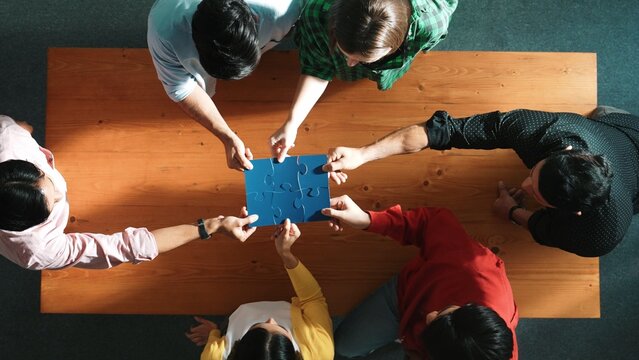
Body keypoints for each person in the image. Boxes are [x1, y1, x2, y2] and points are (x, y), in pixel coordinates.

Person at [322, 107, 639, 257]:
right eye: (533, 175)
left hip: (632, 188)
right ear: (566, 151)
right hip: (624, 132)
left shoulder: (601, 234)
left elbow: (548, 230)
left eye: (538, 195)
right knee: (606, 118)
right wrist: (363, 154)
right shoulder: (544, 128)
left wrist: (513, 213)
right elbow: (442, 132)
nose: (525, 186)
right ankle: (612, 118)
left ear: (574, 212)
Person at [0, 115, 258, 270]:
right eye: (49, 206)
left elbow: (11, 129)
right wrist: (212, 226)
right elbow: (124, 248)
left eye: (44, 176)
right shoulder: (37, 249)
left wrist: (20, 132)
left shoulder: (8, 138)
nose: (58, 193)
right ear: (24, 225)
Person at [320, 195, 518, 359]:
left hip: (428, 348)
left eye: (433, 321)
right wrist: (368, 220)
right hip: (405, 296)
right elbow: (429, 222)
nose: (430, 315)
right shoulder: (470, 266)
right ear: (469, 306)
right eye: (443, 311)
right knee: (341, 350)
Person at [269, 0, 458, 162]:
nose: (351, 64)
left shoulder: (432, 23)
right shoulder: (316, 13)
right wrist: (292, 122)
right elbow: (317, 67)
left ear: (397, 43)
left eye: (362, 59)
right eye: (345, 53)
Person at [147, 0, 304, 171]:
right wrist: (227, 136)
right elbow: (181, 88)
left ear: (255, 18)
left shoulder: (285, 7)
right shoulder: (163, 30)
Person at [186, 219, 334, 360]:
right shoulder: (320, 351)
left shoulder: (214, 356)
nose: (271, 319)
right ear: (296, 355)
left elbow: (214, 346)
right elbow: (312, 298)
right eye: (281, 327)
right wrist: (286, 254)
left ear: (237, 349)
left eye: (254, 327)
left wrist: (214, 333)